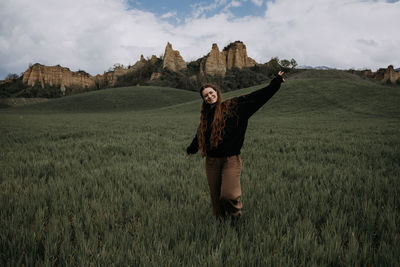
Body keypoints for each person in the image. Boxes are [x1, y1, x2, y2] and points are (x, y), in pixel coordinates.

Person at [186, 71, 285, 220]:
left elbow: (256, 98)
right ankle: (220, 224)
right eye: (205, 96)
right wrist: (192, 148)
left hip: (231, 159)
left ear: (217, 93)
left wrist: (275, 83)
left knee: (228, 195)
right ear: (204, 99)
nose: (209, 96)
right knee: (215, 196)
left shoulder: (234, 106)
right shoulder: (206, 116)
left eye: (211, 93)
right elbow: (200, 134)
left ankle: (236, 217)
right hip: (212, 161)